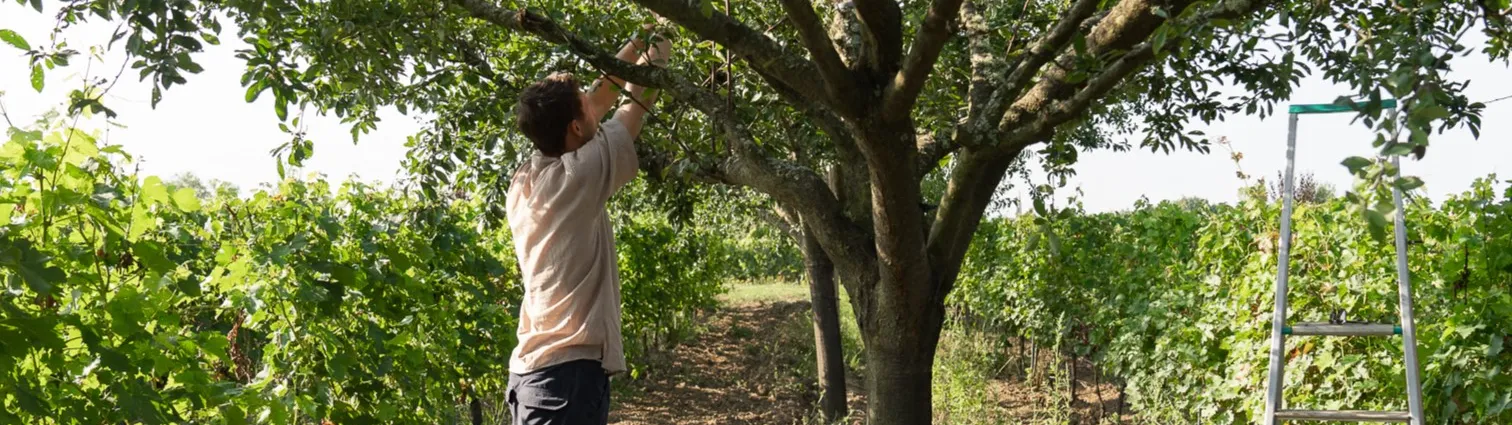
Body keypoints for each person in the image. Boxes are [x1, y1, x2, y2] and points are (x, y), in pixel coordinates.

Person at [502, 32, 670, 425]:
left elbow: (596, 98)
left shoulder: (527, 176)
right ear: (576, 130)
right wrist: (663, 37)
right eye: (586, 110)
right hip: (565, 380)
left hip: (536, 374)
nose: (594, 107)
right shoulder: (580, 175)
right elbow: (633, 105)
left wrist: (639, 36)